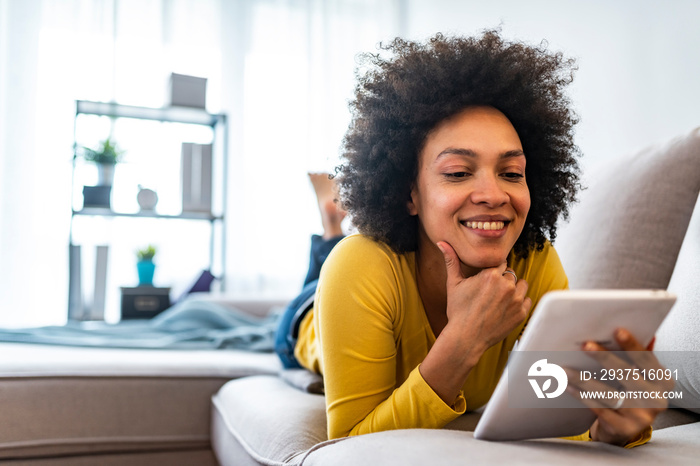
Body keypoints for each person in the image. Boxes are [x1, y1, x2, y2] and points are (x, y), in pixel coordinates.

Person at [275, 30, 668, 446]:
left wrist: (615, 425)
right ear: (410, 192)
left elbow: (565, 416)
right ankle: (331, 230)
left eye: (512, 173)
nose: (494, 195)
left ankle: (331, 225)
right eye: (459, 172)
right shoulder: (360, 267)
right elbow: (349, 448)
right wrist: (463, 341)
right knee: (318, 277)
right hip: (304, 323)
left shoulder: (532, 261)